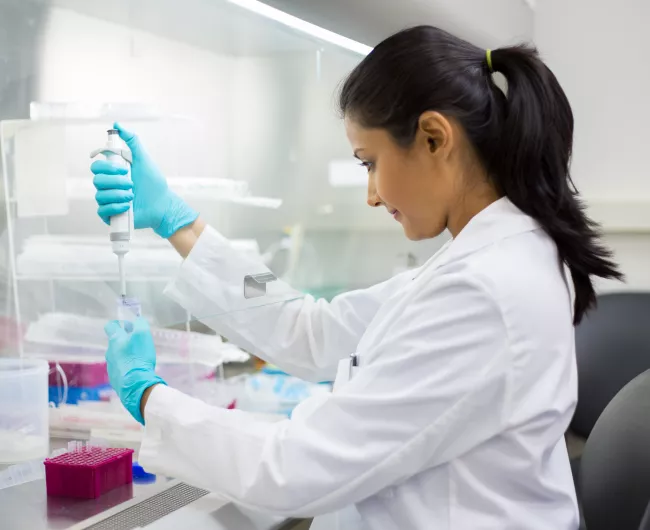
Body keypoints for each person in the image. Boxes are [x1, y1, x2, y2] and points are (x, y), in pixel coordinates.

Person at [92, 26, 621, 530]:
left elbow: (295, 468)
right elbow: (313, 330)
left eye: (369, 162)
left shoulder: (484, 289)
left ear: (435, 138)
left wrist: (147, 397)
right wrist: (179, 224)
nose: (370, 194)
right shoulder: (488, 258)